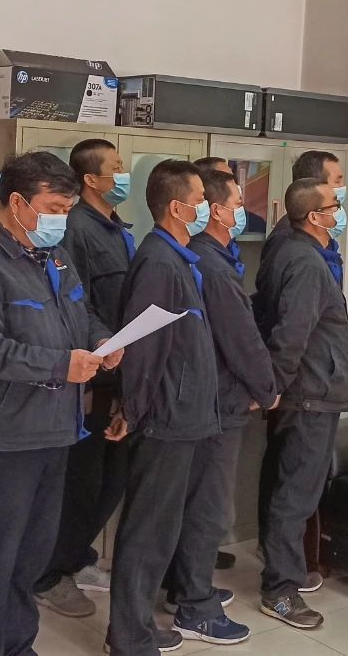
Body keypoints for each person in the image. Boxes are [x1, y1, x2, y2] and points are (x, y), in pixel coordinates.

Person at [0, 151, 119, 656]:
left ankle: (18, 645)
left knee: (30, 556)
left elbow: (81, 314)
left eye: (67, 209)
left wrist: (104, 340)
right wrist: (60, 365)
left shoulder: (54, 256)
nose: (60, 218)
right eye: (53, 208)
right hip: (4, 434)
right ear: (17, 202)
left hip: (57, 428)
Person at [106, 160, 221, 655]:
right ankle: (128, 637)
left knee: (163, 529)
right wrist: (132, 409)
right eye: (200, 201)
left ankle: (138, 626)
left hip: (186, 415)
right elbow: (143, 346)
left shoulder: (179, 259)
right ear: (177, 207)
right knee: (147, 531)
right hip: (165, 418)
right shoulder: (158, 262)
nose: (207, 209)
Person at [160, 169, 278, 643]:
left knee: (197, 501)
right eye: (236, 204)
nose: (241, 212)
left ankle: (184, 587)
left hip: (208, 398)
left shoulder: (207, 257)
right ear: (212, 209)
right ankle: (194, 604)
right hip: (218, 402)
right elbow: (240, 338)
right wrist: (267, 388)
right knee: (207, 506)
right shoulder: (208, 263)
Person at [34, 139, 134, 616]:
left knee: (108, 482)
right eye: (117, 167)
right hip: (85, 376)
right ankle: (51, 573)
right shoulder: (74, 228)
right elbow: (75, 305)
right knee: (79, 484)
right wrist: (88, 381)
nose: (124, 173)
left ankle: (77, 557)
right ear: (91, 178)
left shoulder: (118, 228)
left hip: (117, 366)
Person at [254, 178, 348, 630]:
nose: (339, 211)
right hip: (309, 393)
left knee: (290, 489)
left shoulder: (289, 250)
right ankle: (280, 590)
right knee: (295, 494)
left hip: (307, 389)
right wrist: (275, 384)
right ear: (314, 216)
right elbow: (291, 334)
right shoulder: (307, 263)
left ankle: (282, 576)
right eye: (334, 205)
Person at [260, 150, 345, 264]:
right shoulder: (288, 241)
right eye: (337, 181)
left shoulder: (321, 235)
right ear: (314, 185)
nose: (343, 187)